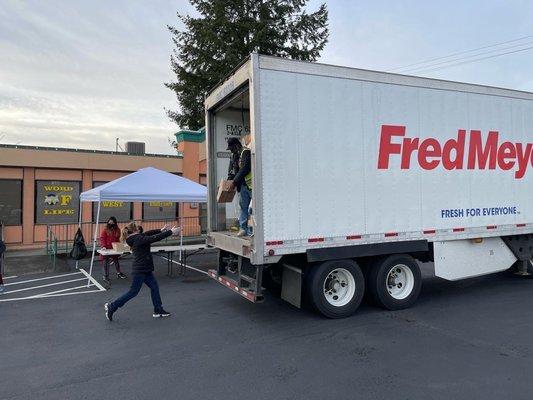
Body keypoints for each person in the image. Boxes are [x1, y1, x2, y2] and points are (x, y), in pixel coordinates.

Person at [104, 222, 180, 321]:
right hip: (140, 270)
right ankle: (112, 306)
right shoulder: (138, 239)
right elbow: (153, 238)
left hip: (145, 269)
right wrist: (170, 232)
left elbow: (149, 233)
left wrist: (161, 230)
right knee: (133, 292)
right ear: (136, 230)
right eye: (139, 228)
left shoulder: (136, 237)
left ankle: (158, 310)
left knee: (154, 288)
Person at [229, 133, 252, 236]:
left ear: (236, 145)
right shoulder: (234, 156)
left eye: (231, 148)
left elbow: (245, 168)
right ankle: (243, 228)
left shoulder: (246, 152)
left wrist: (234, 182)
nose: (231, 150)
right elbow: (232, 171)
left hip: (251, 186)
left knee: (252, 209)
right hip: (242, 186)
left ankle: (252, 229)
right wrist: (228, 182)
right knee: (243, 207)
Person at [100, 216, 126, 285]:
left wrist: (120, 245)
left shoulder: (117, 229)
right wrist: (103, 246)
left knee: (116, 260)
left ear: (115, 223)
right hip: (107, 248)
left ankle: (118, 273)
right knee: (105, 261)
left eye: (112, 223)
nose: (111, 224)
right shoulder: (105, 230)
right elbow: (102, 238)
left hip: (115, 247)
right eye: (109, 223)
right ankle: (105, 275)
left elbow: (119, 238)